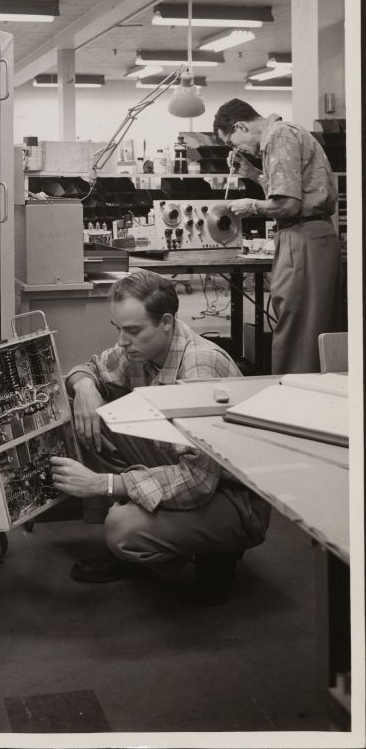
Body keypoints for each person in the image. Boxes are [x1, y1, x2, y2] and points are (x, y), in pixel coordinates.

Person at [50, 270, 271, 605]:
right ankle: (158, 534)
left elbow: (198, 481)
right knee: (82, 409)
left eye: (133, 331)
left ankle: (213, 550)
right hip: (184, 461)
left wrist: (105, 484)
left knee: (121, 530)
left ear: (166, 322)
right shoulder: (141, 349)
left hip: (231, 496)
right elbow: (92, 368)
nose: (122, 341)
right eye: (118, 329)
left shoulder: (199, 369)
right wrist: (83, 388)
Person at [213, 98, 342, 374]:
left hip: (303, 237)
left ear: (240, 126)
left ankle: (292, 400)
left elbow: (288, 204)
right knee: (309, 325)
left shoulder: (278, 136)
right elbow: (290, 187)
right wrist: (250, 172)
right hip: (309, 237)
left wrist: (252, 205)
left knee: (298, 330)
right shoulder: (287, 132)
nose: (235, 149)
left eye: (231, 142)